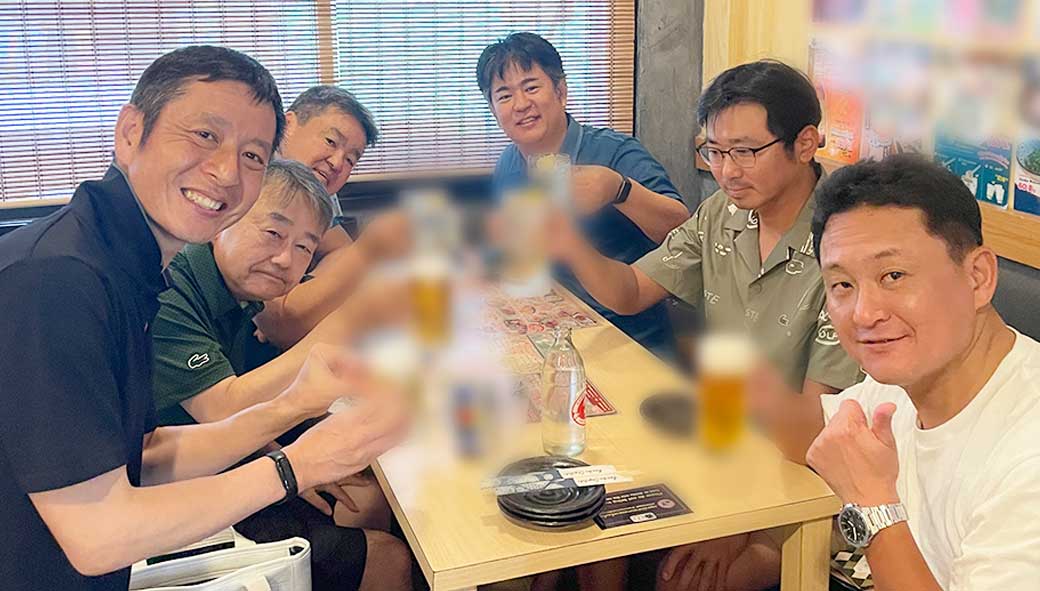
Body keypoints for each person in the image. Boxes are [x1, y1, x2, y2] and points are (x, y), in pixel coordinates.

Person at [0, 46, 407, 590]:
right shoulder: (58, 279)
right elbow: (96, 535)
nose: (225, 171)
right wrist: (297, 466)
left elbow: (144, 455)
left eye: (253, 155)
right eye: (205, 135)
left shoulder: (129, 267)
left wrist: (292, 404)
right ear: (131, 132)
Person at [546, 60, 862, 590]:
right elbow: (631, 292)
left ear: (805, 143)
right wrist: (569, 241)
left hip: (812, 477)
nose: (727, 170)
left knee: (684, 578)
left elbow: (811, 432)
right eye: (714, 151)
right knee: (599, 508)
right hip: (722, 442)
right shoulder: (722, 214)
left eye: (746, 151)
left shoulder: (845, 247)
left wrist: (733, 521)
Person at [151, 158, 410, 591]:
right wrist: (343, 327)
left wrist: (280, 453)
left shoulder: (238, 290)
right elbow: (221, 408)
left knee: (366, 494)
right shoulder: (169, 289)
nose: (286, 258)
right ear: (222, 220)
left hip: (218, 462)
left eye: (305, 247)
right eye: (273, 233)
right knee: (389, 557)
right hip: (168, 503)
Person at [478, 32, 689, 354]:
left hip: (627, 337)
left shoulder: (615, 152)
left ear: (560, 92)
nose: (520, 104)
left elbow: (684, 232)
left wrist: (620, 189)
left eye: (531, 87)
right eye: (504, 95)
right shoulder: (509, 163)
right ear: (494, 110)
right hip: (551, 327)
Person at [254, 85, 410, 349]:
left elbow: (340, 251)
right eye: (330, 142)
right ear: (288, 125)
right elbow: (281, 323)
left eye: (350, 160)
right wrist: (373, 248)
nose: (337, 163)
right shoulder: (255, 181)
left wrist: (306, 292)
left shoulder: (314, 188)